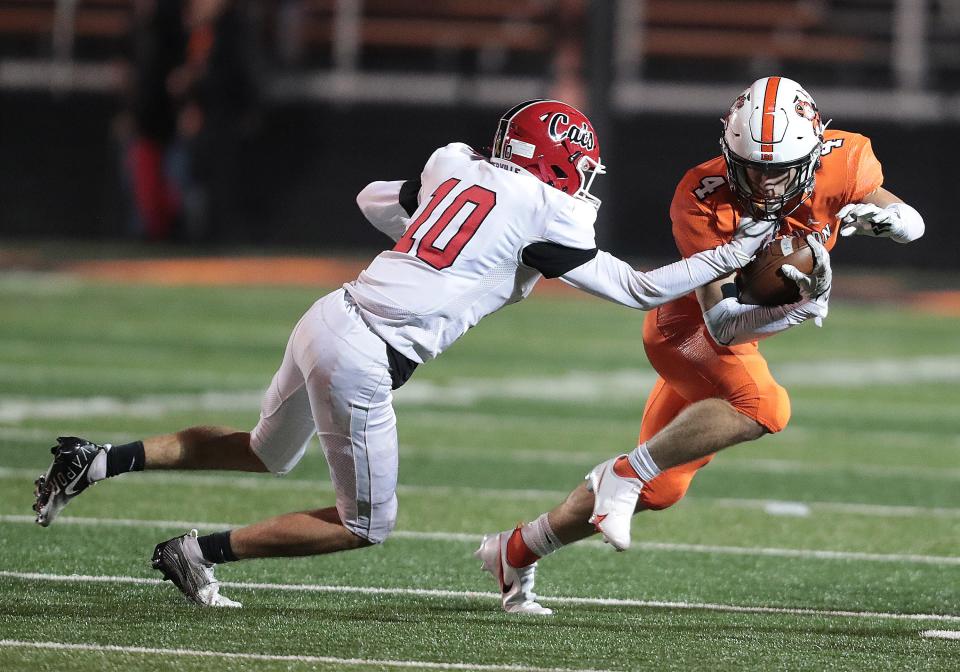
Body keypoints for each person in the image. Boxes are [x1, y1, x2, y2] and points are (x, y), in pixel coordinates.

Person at [33, 99, 774, 608]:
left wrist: (431, 244)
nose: (584, 181)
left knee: (265, 451)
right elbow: (641, 289)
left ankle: (95, 459)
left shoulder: (456, 164)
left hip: (330, 314)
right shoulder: (544, 210)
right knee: (366, 525)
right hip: (367, 355)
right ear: (557, 164)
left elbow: (372, 199)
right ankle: (196, 554)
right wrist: (734, 250)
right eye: (578, 167)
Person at [477, 77, 925, 614]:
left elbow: (910, 218)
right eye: (750, 166)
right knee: (765, 406)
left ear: (812, 152)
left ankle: (517, 549)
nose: (763, 182)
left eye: (778, 169)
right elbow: (722, 325)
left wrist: (896, 223)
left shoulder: (845, 162)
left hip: (726, 340)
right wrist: (799, 307)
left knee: (663, 491)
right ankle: (623, 471)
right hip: (685, 332)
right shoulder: (701, 194)